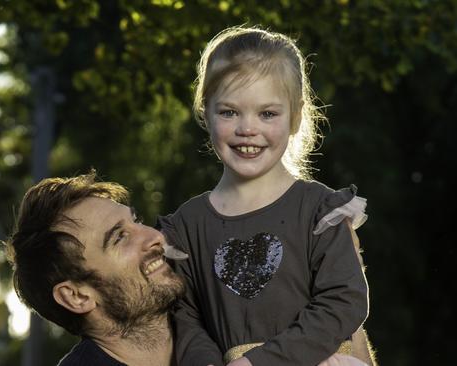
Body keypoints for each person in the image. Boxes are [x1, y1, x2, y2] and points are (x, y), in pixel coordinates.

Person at [158, 25, 375, 366]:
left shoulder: (319, 209)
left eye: (267, 114)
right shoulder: (187, 226)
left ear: (296, 116)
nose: (248, 128)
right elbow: (185, 319)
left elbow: (345, 300)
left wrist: (259, 363)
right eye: (229, 112)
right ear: (205, 111)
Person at [4, 171, 186, 366]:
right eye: (119, 237)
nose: (155, 236)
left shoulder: (210, 317)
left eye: (137, 221)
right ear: (76, 297)